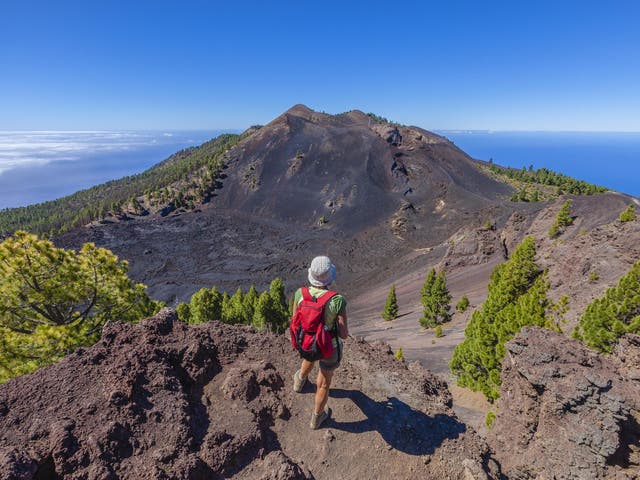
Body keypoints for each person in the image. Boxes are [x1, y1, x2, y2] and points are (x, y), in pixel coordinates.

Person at [292, 255, 348, 429]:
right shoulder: (337, 300)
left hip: (307, 341)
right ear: (329, 276)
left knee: (310, 355)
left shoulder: (300, 293)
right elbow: (344, 334)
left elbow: (295, 319)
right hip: (328, 347)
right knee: (323, 383)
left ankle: (299, 382)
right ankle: (317, 418)